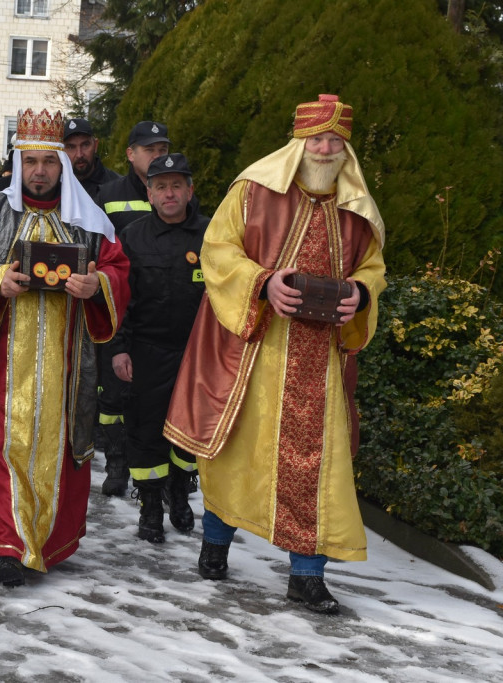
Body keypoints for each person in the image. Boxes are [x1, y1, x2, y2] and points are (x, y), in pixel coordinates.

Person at [163, 94, 387, 614]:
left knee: (318, 468)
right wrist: (263, 284)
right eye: (318, 138)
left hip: (321, 364)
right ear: (299, 141)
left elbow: (374, 267)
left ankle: (306, 578)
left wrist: (362, 293)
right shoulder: (252, 190)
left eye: (336, 139)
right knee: (236, 454)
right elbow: (219, 250)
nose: (327, 147)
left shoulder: (357, 208)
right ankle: (214, 546)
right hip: (254, 354)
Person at [0, 108, 130, 587]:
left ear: (62, 164)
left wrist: (97, 285)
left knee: (60, 449)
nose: (40, 171)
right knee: (3, 447)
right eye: (31, 161)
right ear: (18, 163)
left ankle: (42, 541)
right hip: (0, 362)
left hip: (66, 367)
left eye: (49, 161)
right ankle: (9, 546)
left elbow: (120, 272)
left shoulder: (90, 220)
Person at [108, 154, 209, 544]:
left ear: (190, 190)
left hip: (197, 354)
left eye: (177, 185)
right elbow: (118, 301)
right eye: (161, 187)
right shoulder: (132, 237)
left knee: (189, 433)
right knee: (145, 431)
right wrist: (118, 349)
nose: (170, 193)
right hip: (146, 353)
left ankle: (180, 494)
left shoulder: (212, 237)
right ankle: (150, 505)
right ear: (149, 193)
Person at [93, 120, 171, 497]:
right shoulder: (107, 194)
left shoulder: (176, 190)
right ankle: (116, 462)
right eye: (150, 150)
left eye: (163, 149)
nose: (158, 156)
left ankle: (155, 474)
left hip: (160, 310)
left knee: (151, 396)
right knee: (112, 396)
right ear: (131, 154)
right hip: (119, 306)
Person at [62, 118, 120, 200]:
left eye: (85, 145)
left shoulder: (116, 186)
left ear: (95, 145)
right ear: (62, 150)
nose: (79, 155)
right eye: (71, 147)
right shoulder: (55, 186)